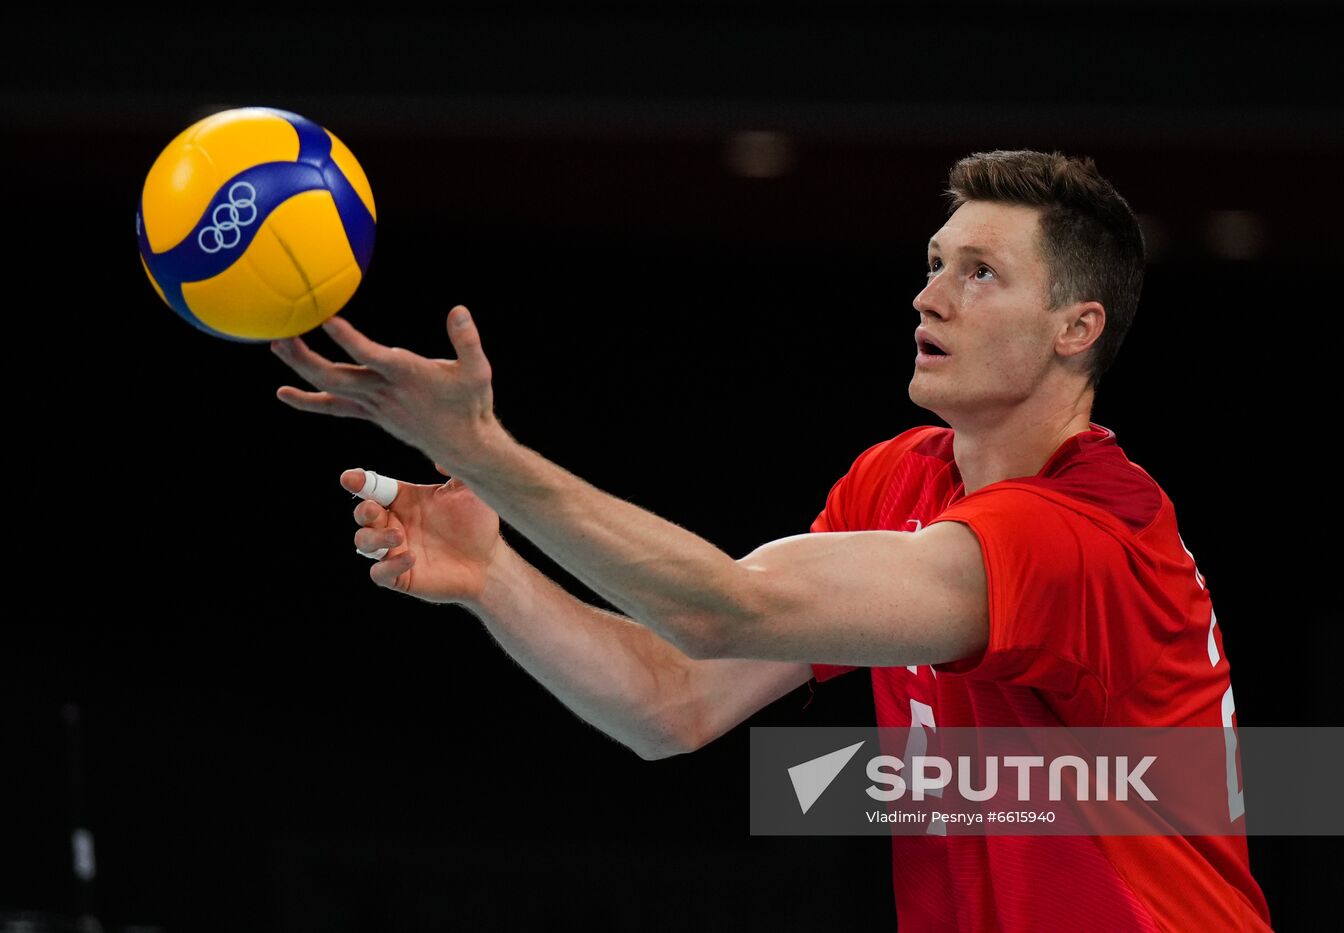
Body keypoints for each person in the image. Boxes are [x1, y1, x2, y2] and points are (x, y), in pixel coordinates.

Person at [270, 149, 1271, 931]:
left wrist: (482, 453)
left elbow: (721, 608)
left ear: (1073, 327)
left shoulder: (1087, 538)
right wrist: (495, 575)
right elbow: (671, 700)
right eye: (932, 265)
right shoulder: (898, 478)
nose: (928, 296)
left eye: (979, 273)